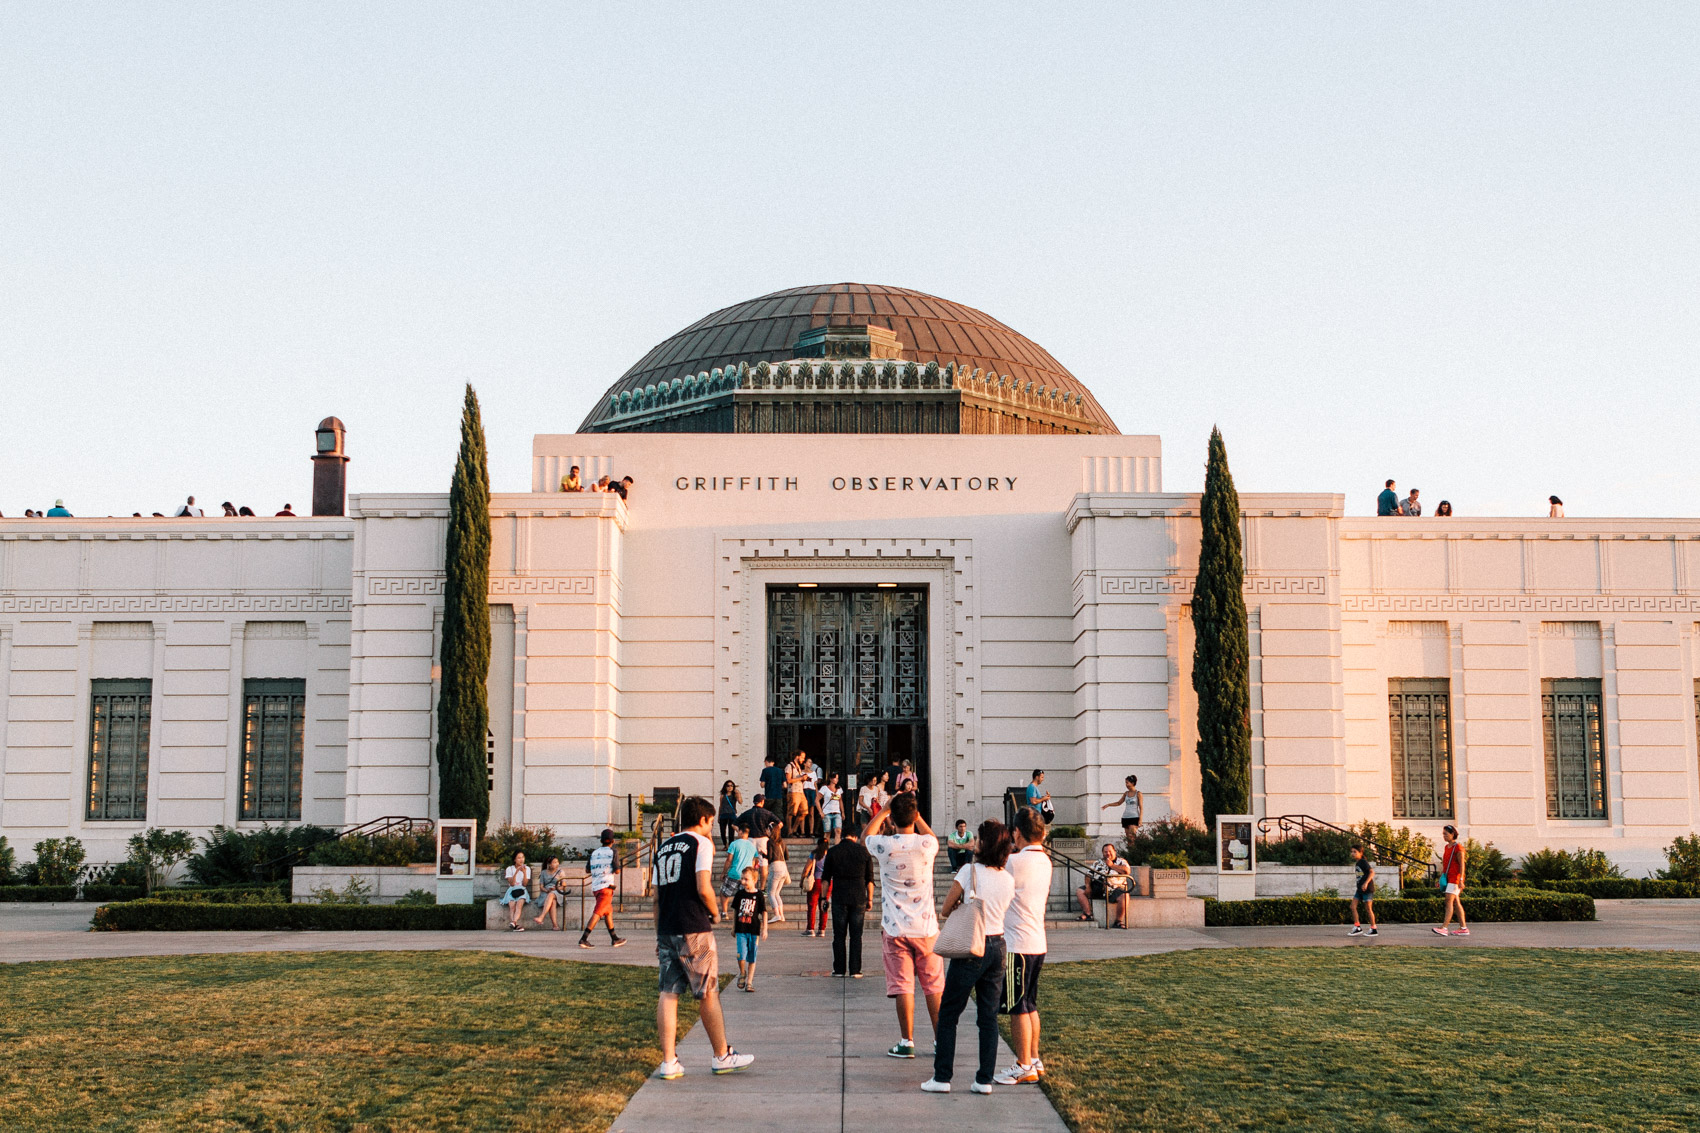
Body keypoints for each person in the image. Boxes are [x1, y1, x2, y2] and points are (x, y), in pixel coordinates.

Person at [652, 795, 753, 1079]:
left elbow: (657, 896)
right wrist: (716, 913)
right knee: (708, 991)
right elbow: (703, 886)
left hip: (668, 927)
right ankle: (722, 1055)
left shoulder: (663, 847)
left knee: (668, 993)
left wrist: (660, 934)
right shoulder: (702, 843)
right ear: (705, 819)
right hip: (694, 925)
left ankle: (669, 1061)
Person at [923, 818, 1016, 1095]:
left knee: (950, 1012)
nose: (974, 841)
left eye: (978, 837)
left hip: (971, 948)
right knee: (988, 1017)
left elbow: (946, 907)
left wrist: (959, 906)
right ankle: (983, 1080)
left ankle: (942, 1078)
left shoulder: (969, 871)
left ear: (985, 843)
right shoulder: (1008, 878)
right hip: (998, 945)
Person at [864, 794, 943, 1060]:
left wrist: (883, 811)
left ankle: (907, 1040)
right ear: (915, 815)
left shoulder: (884, 845)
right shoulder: (926, 844)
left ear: (892, 817)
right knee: (933, 986)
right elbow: (933, 838)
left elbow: (866, 836)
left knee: (902, 986)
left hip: (896, 929)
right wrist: (917, 815)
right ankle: (940, 1039)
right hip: (927, 929)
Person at [995, 806, 1052, 1085]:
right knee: (1029, 1003)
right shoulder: (1045, 860)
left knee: (1017, 1007)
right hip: (1037, 941)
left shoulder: (1014, 862)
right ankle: (1034, 1058)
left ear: (1017, 833)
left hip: (1017, 942)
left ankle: (1023, 1064)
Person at [821, 823, 875, 978]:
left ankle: (839, 969)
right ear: (856, 837)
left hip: (839, 897)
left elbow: (825, 879)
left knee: (839, 935)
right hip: (858, 897)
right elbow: (869, 880)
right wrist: (869, 899)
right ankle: (855, 970)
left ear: (842, 836)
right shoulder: (864, 852)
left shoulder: (832, 852)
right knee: (856, 936)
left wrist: (824, 898)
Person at [579, 829, 628, 948]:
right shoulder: (613, 852)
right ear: (613, 841)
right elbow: (616, 870)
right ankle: (584, 938)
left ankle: (614, 938)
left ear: (601, 840)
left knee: (608, 912)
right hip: (606, 886)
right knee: (598, 912)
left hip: (596, 886)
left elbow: (587, 870)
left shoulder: (594, 853)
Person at [1077, 842, 1132, 927]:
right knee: (1080, 891)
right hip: (1098, 887)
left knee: (1125, 896)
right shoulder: (1097, 862)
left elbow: (1126, 871)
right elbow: (1088, 874)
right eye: (1105, 852)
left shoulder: (1121, 861)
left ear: (1114, 852)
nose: (1108, 854)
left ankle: (1118, 921)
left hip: (1114, 889)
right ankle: (1088, 914)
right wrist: (1088, 886)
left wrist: (1112, 865)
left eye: (1110, 851)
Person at [731, 866, 768, 992]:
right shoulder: (740, 894)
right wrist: (733, 927)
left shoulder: (758, 895)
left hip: (754, 930)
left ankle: (750, 982)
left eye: (746, 879)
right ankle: (742, 972)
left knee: (752, 957)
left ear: (754, 880)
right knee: (741, 955)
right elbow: (735, 911)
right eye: (742, 879)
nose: (743, 881)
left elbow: (764, 912)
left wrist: (765, 929)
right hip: (741, 929)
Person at [720, 822, 761, 919]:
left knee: (724, 893)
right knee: (744, 895)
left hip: (734, 873)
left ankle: (724, 913)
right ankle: (743, 913)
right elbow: (756, 860)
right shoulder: (752, 846)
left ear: (741, 832)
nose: (737, 833)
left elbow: (729, 860)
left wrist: (723, 872)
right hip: (747, 875)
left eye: (738, 831)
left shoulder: (734, 844)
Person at [1434, 824, 1469, 936]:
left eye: (1446, 834)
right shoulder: (1447, 847)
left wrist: (1461, 880)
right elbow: (1445, 864)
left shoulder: (1458, 848)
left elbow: (1462, 865)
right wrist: (1441, 878)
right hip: (1448, 877)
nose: (1444, 836)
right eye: (1443, 834)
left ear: (1452, 834)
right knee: (1456, 902)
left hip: (1455, 878)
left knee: (1448, 901)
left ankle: (1444, 927)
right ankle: (1463, 928)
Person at [1347, 844, 1378, 938]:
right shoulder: (1358, 863)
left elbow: (1372, 872)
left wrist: (1365, 883)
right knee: (1352, 906)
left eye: (1355, 852)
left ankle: (1373, 929)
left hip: (1367, 889)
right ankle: (1357, 927)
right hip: (1360, 889)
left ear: (1360, 853)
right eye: (1352, 851)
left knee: (1368, 909)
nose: (1352, 853)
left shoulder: (1363, 862)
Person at [530, 855, 566, 930]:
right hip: (546, 892)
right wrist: (547, 890)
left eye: (557, 862)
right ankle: (555, 925)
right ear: (549, 864)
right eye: (554, 862)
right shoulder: (543, 872)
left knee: (552, 894)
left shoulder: (560, 872)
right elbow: (541, 886)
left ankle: (541, 917)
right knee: (552, 901)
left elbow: (563, 886)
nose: (556, 864)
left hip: (558, 891)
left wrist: (555, 888)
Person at [804, 837, 830, 937]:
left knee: (812, 905)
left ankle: (810, 929)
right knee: (824, 905)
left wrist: (803, 879)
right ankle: (822, 929)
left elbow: (807, 869)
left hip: (816, 881)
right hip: (827, 882)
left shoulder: (814, 854)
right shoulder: (830, 854)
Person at [501, 851, 531, 931]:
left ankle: (513, 922)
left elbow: (525, 884)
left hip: (522, 889)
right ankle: (515, 925)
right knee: (512, 904)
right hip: (512, 889)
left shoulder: (527, 869)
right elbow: (512, 883)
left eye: (522, 857)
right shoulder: (509, 869)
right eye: (519, 858)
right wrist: (516, 872)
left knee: (519, 903)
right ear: (514, 859)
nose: (521, 860)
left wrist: (524, 873)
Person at [766, 827, 791, 923]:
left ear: (771, 831)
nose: (766, 831)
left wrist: (763, 854)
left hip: (775, 867)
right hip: (783, 868)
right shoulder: (782, 842)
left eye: (768, 829)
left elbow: (770, 857)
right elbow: (786, 856)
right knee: (777, 893)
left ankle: (777, 914)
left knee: (771, 893)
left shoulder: (770, 842)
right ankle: (782, 915)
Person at [758, 755, 787, 822]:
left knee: (765, 814)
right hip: (778, 796)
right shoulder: (780, 771)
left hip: (769, 795)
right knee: (777, 816)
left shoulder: (765, 770)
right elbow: (785, 785)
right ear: (773, 762)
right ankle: (777, 830)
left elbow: (762, 784)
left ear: (766, 762)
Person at [785, 754, 808, 836]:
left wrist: (804, 778)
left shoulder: (798, 767)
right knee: (791, 812)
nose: (803, 759)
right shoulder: (789, 766)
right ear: (797, 756)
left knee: (804, 811)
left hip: (801, 791)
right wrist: (801, 778)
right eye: (802, 757)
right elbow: (788, 780)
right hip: (793, 791)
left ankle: (794, 829)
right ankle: (789, 831)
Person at [819, 772, 844, 842]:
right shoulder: (824, 788)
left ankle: (837, 848)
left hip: (837, 812)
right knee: (827, 832)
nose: (836, 780)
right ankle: (825, 849)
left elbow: (840, 801)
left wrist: (843, 812)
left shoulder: (839, 789)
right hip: (827, 812)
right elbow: (817, 800)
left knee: (838, 830)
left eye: (837, 778)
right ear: (830, 779)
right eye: (835, 778)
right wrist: (821, 812)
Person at [716, 780, 742, 847]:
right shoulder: (722, 796)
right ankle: (725, 844)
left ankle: (730, 845)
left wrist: (738, 794)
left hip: (731, 815)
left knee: (731, 832)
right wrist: (719, 816)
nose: (730, 787)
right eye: (728, 786)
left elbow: (740, 802)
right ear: (725, 787)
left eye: (731, 785)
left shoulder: (734, 795)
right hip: (723, 815)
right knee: (722, 831)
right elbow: (720, 806)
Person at [801, 754, 821, 837]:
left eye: (811, 762)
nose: (810, 764)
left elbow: (815, 784)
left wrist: (817, 794)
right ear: (804, 763)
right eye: (809, 762)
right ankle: (802, 831)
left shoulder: (813, 773)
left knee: (811, 813)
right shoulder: (801, 772)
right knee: (803, 812)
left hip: (812, 791)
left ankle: (811, 831)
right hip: (804, 791)